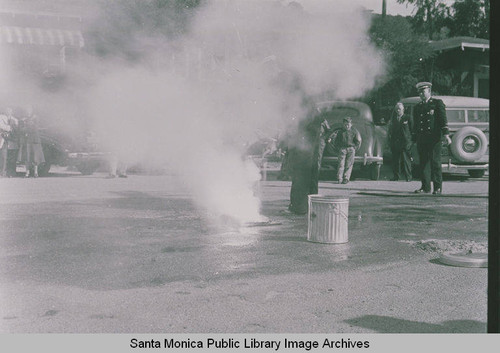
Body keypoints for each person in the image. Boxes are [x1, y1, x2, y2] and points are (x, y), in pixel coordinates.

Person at [287, 104, 330, 214]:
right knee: (312, 179)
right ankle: (311, 206)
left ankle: (299, 207)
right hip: (311, 154)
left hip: (304, 155)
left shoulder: (306, 121)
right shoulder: (316, 120)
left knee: (301, 178)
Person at [412, 82, 451, 195]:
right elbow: (416, 126)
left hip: (434, 139)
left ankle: (437, 188)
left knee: (435, 163)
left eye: (423, 92)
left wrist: (446, 135)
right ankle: (425, 187)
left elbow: (443, 120)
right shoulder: (417, 107)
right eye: (420, 92)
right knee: (423, 163)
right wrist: (414, 140)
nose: (421, 94)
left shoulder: (437, 103)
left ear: (429, 91)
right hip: (422, 139)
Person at [329, 117, 362, 184]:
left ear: (351, 125)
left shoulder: (353, 132)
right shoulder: (340, 132)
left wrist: (354, 147)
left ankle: (346, 178)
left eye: (348, 124)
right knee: (341, 164)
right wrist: (339, 148)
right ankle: (339, 178)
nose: (346, 126)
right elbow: (336, 141)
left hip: (351, 149)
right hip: (342, 149)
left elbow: (357, 141)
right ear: (343, 125)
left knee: (349, 164)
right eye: (345, 124)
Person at [387, 102, 413, 181]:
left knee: (406, 160)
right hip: (395, 142)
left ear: (403, 110)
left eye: (399, 109)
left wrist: (410, 141)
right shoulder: (393, 119)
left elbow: (412, 129)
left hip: (405, 142)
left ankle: (408, 177)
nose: (398, 111)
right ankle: (396, 176)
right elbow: (391, 131)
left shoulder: (408, 118)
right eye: (397, 109)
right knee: (396, 161)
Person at [17, 107, 45, 178]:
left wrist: (26, 128)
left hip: (35, 140)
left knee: (35, 157)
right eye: (26, 111)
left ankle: (36, 172)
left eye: (29, 111)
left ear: (31, 111)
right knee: (27, 157)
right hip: (27, 141)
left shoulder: (35, 118)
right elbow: (20, 129)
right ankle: (27, 173)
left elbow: (35, 128)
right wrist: (26, 127)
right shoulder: (23, 120)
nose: (28, 112)